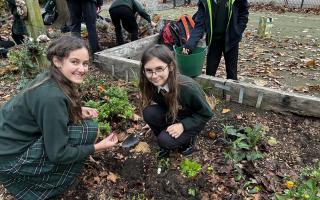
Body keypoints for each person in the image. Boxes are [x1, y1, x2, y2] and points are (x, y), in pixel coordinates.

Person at [0, 36, 118, 199]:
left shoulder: (49, 78)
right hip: (11, 160)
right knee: (88, 130)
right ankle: (43, 186)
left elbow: (42, 112)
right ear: (57, 61)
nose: (82, 69)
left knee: (84, 127)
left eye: (85, 63)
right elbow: (57, 154)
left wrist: (76, 110)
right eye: (75, 62)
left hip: (7, 146)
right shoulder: (52, 98)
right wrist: (97, 147)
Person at [139, 44, 213, 157]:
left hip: (192, 118)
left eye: (159, 69)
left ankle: (188, 141)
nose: (154, 76)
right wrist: (154, 122)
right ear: (144, 71)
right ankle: (167, 135)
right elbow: (163, 104)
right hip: (175, 112)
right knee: (149, 113)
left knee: (165, 141)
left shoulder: (188, 88)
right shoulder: (152, 85)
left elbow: (206, 114)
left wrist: (183, 125)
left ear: (171, 66)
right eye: (149, 70)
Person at [182, 0, 249, 80]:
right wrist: (189, 45)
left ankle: (230, 90)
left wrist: (238, 31)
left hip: (231, 40)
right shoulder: (205, 2)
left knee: (232, 73)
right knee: (210, 73)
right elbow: (199, 25)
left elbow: (243, 13)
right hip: (214, 41)